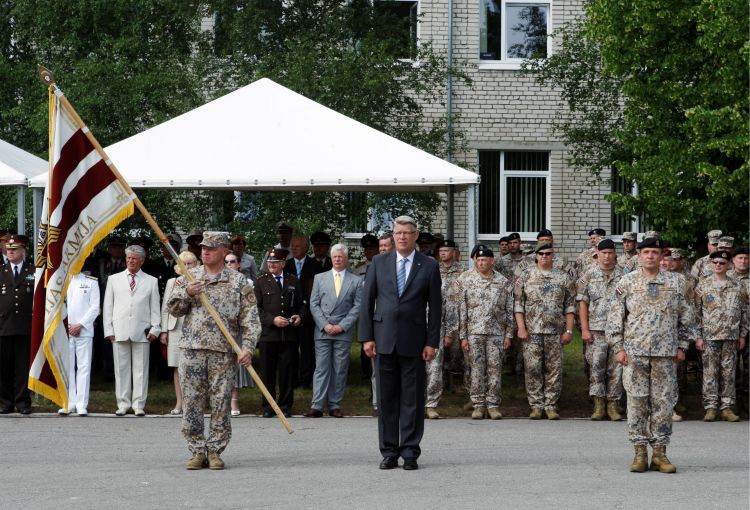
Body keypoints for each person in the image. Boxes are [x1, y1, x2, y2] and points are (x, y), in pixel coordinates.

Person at [168, 232, 261, 470]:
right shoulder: (190, 276)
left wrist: (247, 348)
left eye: (211, 248)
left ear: (223, 251)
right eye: (203, 248)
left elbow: (251, 320)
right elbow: (174, 309)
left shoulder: (237, 281)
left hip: (223, 352)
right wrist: (187, 293)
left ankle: (215, 451)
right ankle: (197, 451)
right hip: (192, 350)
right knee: (192, 402)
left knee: (221, 403)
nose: (205, 252)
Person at [606, 236, 697, 473]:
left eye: (655, 253)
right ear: (639, 255)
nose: (650, 256)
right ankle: (639, 452)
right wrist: (618, 347)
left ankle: (659, 453)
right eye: (645, 252)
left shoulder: (677, 282)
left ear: (662, 256)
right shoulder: (626, 281)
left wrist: (682, 346)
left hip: (665, 354)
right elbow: (615, 317)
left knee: (663, 402)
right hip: (634, 353)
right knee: (636, 402)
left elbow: (687, 316)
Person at [359, 215, 441, 471]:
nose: (402, 236)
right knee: (386, 400)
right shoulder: (379, 262)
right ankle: (389, 451)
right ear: (393, 236)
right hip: (383, 340)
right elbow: (367, 301)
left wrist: (432, 342)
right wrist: (366, 337)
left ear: (415, 236)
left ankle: (410, 451)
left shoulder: (428, 265)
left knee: (412, 400)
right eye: (398, 233)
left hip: (414, 341)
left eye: (407, 232)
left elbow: (435, 308)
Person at [514, 242, 576, 420]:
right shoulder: (526, 276)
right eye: (541, 254)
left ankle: (550, 405)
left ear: (553, 256)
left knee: (554, 370)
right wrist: (521, 328)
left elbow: (570, 307)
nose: (544, 257)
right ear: (536, 256)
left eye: (548, 254)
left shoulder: (564, 278)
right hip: (531, 332)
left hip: (555, 332)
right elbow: (518, 305)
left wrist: (569, 331)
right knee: (532, 368)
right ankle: (536, 405)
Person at [103, 244, 161, 416]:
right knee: (121, 370)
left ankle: (138, 405)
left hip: (142, 330)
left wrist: (155, 328)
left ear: (142, 261)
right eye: (128, 258)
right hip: (119, 329)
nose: (130, 261)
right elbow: (108, 306)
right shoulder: (114, 279)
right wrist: (108, 329)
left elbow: (155, 307)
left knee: (141, 370)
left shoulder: (151, 281)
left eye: (134, 258)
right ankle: (123, 404)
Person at [456, 245, 513, 420]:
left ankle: (493, 405)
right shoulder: (467, 280)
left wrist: (509, 335)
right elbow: (462, 309)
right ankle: (479, 405)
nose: (480, 263)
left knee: (495, 369)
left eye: (484, 260)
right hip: (474, 332)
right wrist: (463, 336)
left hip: (496, 333)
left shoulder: (503, 282)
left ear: (492, 261)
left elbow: (509, 310)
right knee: (476, 370)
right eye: (478, 260)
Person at [306, 244, 362, 417]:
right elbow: (313, 304)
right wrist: (325, 325)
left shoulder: (356, 280)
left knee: (339, 368)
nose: (337, 259)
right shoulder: (319, 278)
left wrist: (342, 326)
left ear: (346, 259)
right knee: (321, 368)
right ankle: (316, 405)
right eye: (335, 257)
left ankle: (335, 405)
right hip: (323, 330)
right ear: (331, 258)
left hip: (342, 331)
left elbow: (357, 306)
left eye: (341, 257)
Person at [694, 250, 748, 422]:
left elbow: (745, 312)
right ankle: (710, 407)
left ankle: (727, 407)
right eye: (715, 262)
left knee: (729, 372)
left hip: (731, 336)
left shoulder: (738, 286)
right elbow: (696, 313)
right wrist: (698, 336)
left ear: (729, 265)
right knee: (710, 372)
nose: (718, 265)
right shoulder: (702, 285)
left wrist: (742, 335)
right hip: (709, 336)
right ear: (711, 264)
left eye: (722, 263)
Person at [254, 248, 306, 418]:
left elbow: (302, 304)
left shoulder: (293, 280)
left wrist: (300, 316)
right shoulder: (261, 282)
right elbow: (256, 309)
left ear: (283, 263)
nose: (271, 265)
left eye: (275, 262)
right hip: (268, 335)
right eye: (269, 262)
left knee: (287, 372)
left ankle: (285, 405)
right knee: (267, 373)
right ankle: (268, 406)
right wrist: (272, 320)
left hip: (288, 335)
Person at [577, 238, 624, 421]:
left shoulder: (625, 276)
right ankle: (598, 405)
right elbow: (582, 303)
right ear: (597, 254)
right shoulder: (588, 275)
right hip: (596, 330)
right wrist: (584, 329)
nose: (607, 256)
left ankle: (613, 405)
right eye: (603, 253)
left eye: (610, 253)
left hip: (618, 330)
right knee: (596, 367)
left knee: (616, 369)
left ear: (615, 254)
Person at [424, 239, 462, 419]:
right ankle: (415, 401)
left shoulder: (441, 284)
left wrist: (449, 332)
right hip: (413, 329)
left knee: (434, 367)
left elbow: (450, 308)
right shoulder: (412, 281)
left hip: (435, 328)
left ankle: (431, 404)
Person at [160, 250, 199, 415]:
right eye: (184, 264)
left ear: (196, 265)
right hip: (175, 328)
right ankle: (179, 402)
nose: (187, 267)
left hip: (195, 328)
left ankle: (194, 403)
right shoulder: (173, 282)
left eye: (190, 263)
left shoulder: (200, 281)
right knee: (177, 366)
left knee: (194, 366)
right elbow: (166, 308)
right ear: (179, 266)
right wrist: (164, 331)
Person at [0, 235, 34, 414]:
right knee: (4, 367)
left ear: (23, 251)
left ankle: (22, 402)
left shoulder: (33, 271)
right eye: (8, 249)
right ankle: (5, 403)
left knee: (22, 368)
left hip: (24, 327)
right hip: (4, 326)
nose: (10, 252)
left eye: (14, 249)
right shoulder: (1, 271)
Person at [59, 269, 100, 416]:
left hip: (84, 330)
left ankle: (81, 404)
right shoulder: (61, 279)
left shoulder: (91, 281)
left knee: (84, 367)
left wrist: (80, 324)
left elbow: (95, 307)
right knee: (67, 368)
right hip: (65, 329)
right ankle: (69, 403)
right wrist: (67, 325)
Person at [223, 251, 254, 416]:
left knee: (236, 365)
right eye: (226, 262)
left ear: (239, 264)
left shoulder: (246, 282)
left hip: (237, 328)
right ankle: (222, 399)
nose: (229, 264)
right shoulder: (218, 280)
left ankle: (234, 400)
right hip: (219, 329)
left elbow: (250, 308)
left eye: (232, 261)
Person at [288, 234, 320, 388]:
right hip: (290, 314)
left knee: (308, 349)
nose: (293, 248)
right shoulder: (286, 265)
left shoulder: (315, 265)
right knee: (290, 349)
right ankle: (292, 379)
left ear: (306, 248)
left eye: (297, 246)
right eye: (292, 246)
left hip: (309, 315)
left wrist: (305, 313)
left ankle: (306, 380)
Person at [729, 247, 750, 414]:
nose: (743, 261)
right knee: (732, 367)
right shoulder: (726, 277)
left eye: (746, 258)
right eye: (740, 258)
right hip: (731, 329)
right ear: (733, 260)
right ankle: (733, 402)